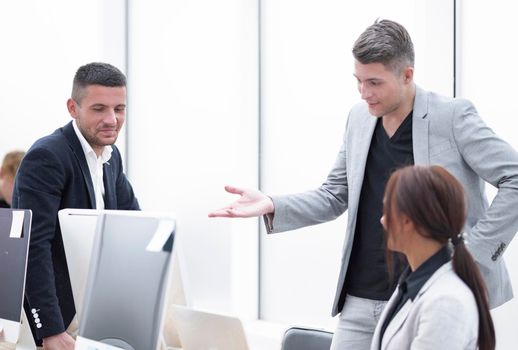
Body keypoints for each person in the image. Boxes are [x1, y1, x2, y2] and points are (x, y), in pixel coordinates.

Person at [209, 19, 518, 349]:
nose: (364, 92)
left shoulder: (452, 116)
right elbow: (334, 194)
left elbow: (514, 177)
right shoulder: (359, 118)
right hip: (360, 295)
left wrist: (474, 253)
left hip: (428, 289)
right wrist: (272, 204)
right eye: (358, 81)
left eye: (374, 82)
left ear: (407, 75)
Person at [12, 62, 140, 350]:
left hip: (96, 311)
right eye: (99, 109)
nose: (112, 119)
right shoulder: (47, 156)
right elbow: (34, 244)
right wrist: (51, 330)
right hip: (58, 318)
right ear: (73, 108)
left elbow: (136, 223)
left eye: (119, 109)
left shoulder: (111, 157)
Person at [372, 165, 495, 350]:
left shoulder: (446, 303)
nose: (382, 220)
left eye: (387, 210)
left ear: (407, 220)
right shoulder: (411, 284)